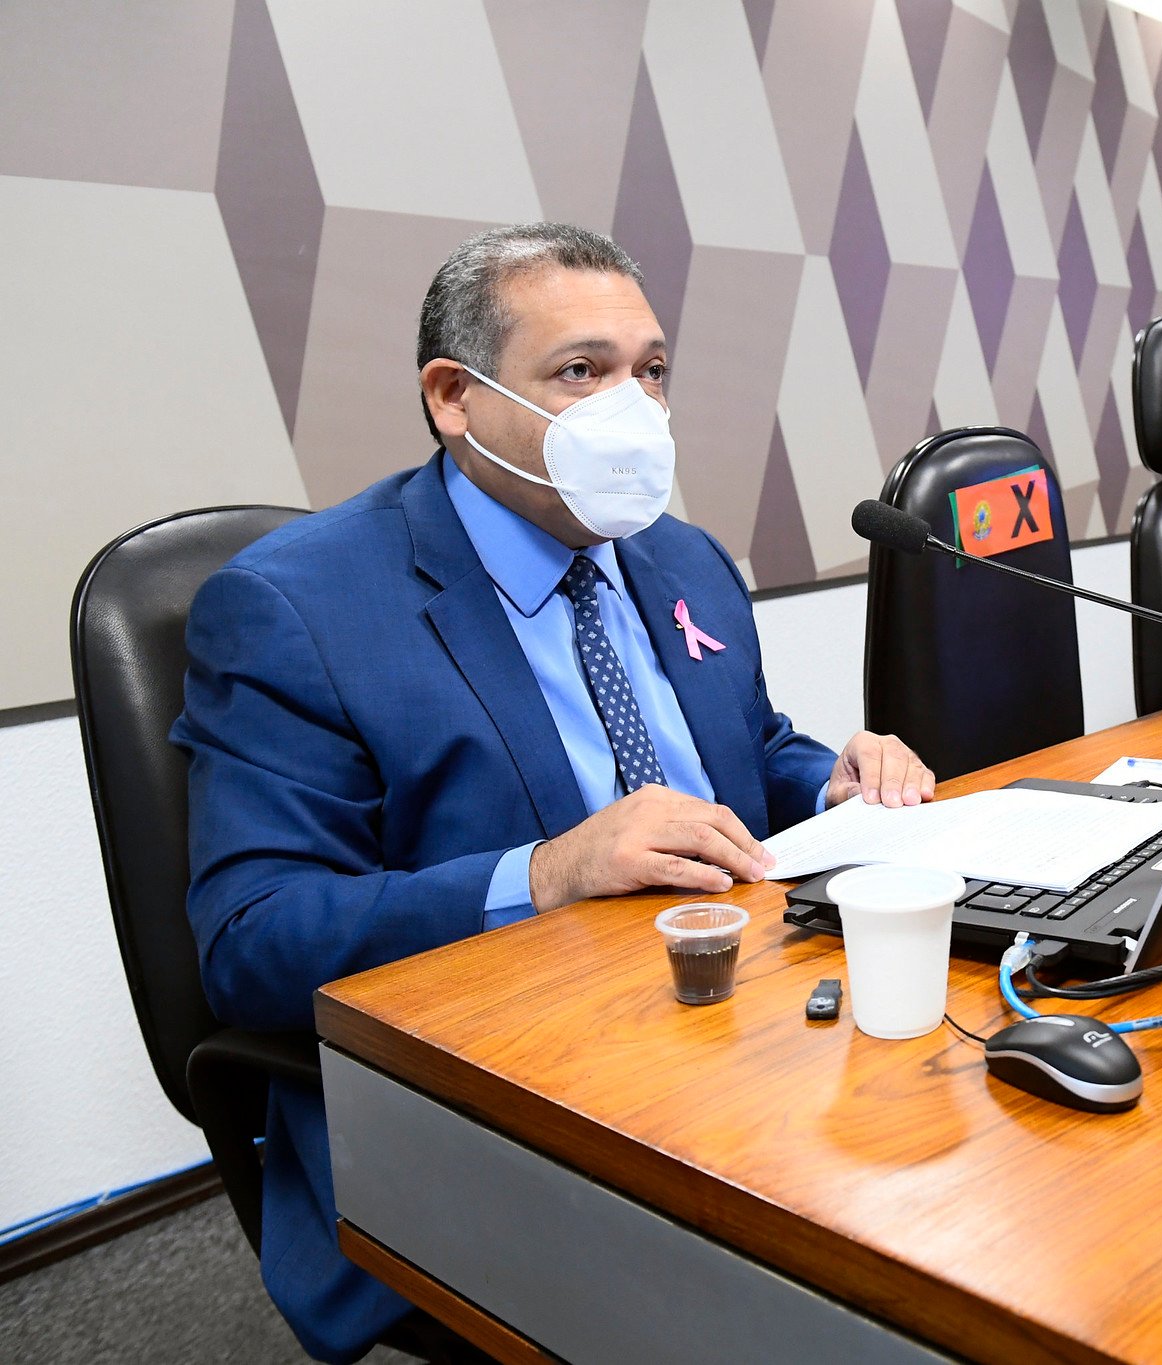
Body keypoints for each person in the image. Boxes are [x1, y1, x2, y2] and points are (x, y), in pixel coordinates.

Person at [171, 224, 934, 1362]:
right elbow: (253, 939)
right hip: (497, 1109)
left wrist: (829, 774)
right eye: (582, 371)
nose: (634, 406)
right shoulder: (294, 608)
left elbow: (746, 748)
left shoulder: (682, 559)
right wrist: (548, 873)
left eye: (651, 370)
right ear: (453, 398)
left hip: (740, 1034)